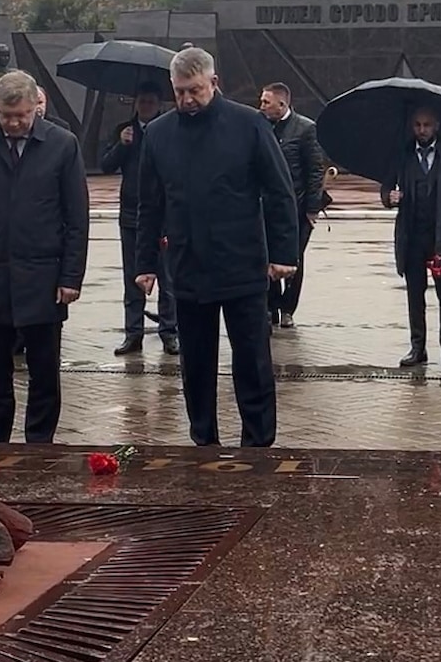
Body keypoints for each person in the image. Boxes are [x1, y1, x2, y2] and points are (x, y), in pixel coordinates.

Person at [136, 47, 298, 448]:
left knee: (252, 360)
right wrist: (145, 263)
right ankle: (203, 442)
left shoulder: (249, 124)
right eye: (180, 92)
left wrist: (284, 254)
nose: (187, 99)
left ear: (214, 82)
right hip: (188, 264)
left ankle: (257, 444)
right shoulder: (158, 134)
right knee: (196, 363)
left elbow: (279, 191)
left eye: (195, 90)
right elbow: (150, 204)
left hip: (242, 263)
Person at [0, 70, 89, 444]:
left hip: (44, 278)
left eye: (21, 115)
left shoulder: (62, 145)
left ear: (36, 107)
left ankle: (39, 446)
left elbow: (76, 217)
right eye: (6, 116)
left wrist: (71, 277)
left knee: (44, 374)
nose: (13, 123)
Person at [380, 105, 441, 370]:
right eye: (417, 125)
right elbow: (386, 187)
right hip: (412, 237)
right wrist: (389, 197)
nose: (421, 130)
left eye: (426, 125)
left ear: (437, 126)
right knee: (414, 296)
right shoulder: (402, 155)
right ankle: (417, 347)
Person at [100, 85, 177, 356]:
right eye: (141, 102)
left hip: (163, 216)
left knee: (167, 277)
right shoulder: (124, 130)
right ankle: (133, 333)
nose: (145, 106)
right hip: (132, 215)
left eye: (150, 102)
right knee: (132, 277)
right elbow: (106, 165)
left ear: (159, 104)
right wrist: (121, 145)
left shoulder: (168, 129)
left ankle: (169, 331)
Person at [258, 83, 326, 330]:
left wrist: (312, 209)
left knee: (294, 258)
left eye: (266, 102)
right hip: (267, 206)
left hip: (296, 208)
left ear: (282, 104)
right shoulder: (261, 125)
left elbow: (315, 170)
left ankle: (288, 308)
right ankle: (270, 306)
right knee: (267, 256)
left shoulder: (305, 129)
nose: (261, 106)